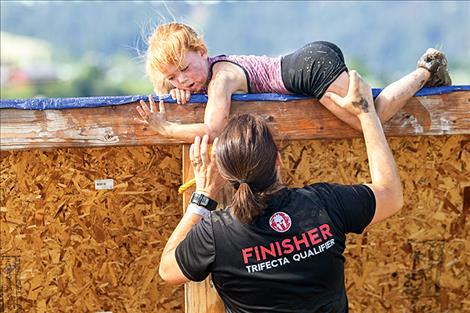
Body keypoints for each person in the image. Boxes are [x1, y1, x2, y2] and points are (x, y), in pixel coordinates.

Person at [158, 71, 404, 312]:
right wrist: (366, 112)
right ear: (278, 159)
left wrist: (202, 197)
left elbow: (167, 271)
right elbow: (391, 195)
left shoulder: (216, 233)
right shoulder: (326, 204)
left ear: (224, 174)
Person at [136, 22, 451, 140]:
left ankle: (426, 70)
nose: (183, 80)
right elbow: (178, 84)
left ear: (202, 52)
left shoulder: (221, 79)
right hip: (307, 68)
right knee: (366, 120)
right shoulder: (204, 76)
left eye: (185, 69)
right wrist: (177, 91)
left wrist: (166, 128)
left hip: (308, 67)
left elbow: (215, 129)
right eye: (173, 78)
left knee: (372, 119)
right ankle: (427, 71)